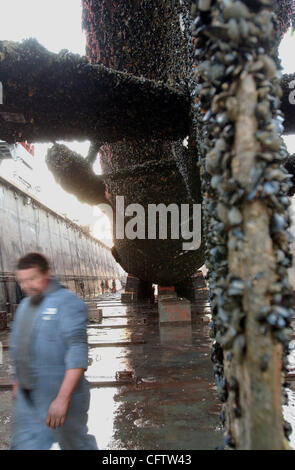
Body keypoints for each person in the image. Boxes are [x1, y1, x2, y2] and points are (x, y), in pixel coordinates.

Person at [9, 252, 98, 450]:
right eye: (21, 281)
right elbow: (19, 346)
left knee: (76, 445)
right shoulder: (24, 306)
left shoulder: (68, 303)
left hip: (62, 398)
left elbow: (77, 351)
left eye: (32, 279)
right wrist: (17, 380)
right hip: (29, 400)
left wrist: (62, 398)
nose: (26, 286)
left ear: (47, 274)